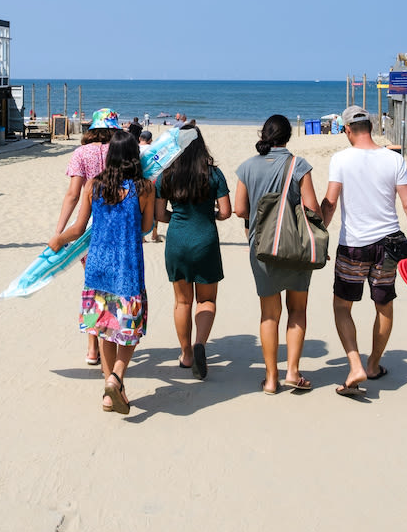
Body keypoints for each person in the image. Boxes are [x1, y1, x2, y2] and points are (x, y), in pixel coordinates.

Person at [319, 106, 407, 396]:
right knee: (384, 306)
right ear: (370, 126)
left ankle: (355, 364)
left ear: (347, 130)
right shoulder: (393, 159)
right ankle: (373, 365)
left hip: (353, 247)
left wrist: (318, 236)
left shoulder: (341, 160)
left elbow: (330, 203)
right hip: (388, 247)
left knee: (342, 306)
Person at [49, 130, 155, 414]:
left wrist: (59, 239)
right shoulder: (144, 188)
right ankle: (116, 377)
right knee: (129, 331)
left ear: (110, 156)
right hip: (128, 268)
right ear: (134, 156)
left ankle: (110, 394)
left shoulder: (93, 186)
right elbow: (146, 228)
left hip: (97, 267)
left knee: (105, 329)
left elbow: (78, 229)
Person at [233, 115, 321, 394]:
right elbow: (313, 209)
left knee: (269, 314)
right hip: (295, 248)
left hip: (261, 248)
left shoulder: (246, 167)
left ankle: (271, 379)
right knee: (297, 309)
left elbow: (238, 209)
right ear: (288, 136)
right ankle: (292, 371)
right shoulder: (298, 165)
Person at [155, 124, 231, 379]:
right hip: (205, 239)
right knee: (206, 300)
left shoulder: (166, 174)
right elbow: (226, 211)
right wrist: (211, 215)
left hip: (177, 239)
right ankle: (200, 343)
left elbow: (158, 214)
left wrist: (176, 216)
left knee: (182, 301)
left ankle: (186, 354)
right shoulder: (213, 174)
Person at [55, 108, 120, 365]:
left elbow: (72, 194)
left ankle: (93, 347)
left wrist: (60, 231)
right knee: (115, 287)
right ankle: (112, 339)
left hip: (89, 226)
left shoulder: (82, 153)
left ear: (92, 128)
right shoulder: (123, 151)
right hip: (118, 227)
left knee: (93, 286)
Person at [138, 129, 163, 243]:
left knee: (141, 208)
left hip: (139, 181)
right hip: (153, 180)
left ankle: (142, 236)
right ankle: (154, 233)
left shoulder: (135, 149)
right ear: (150, 140)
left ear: (139, 139)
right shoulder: (153, 150)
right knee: (155, 207)